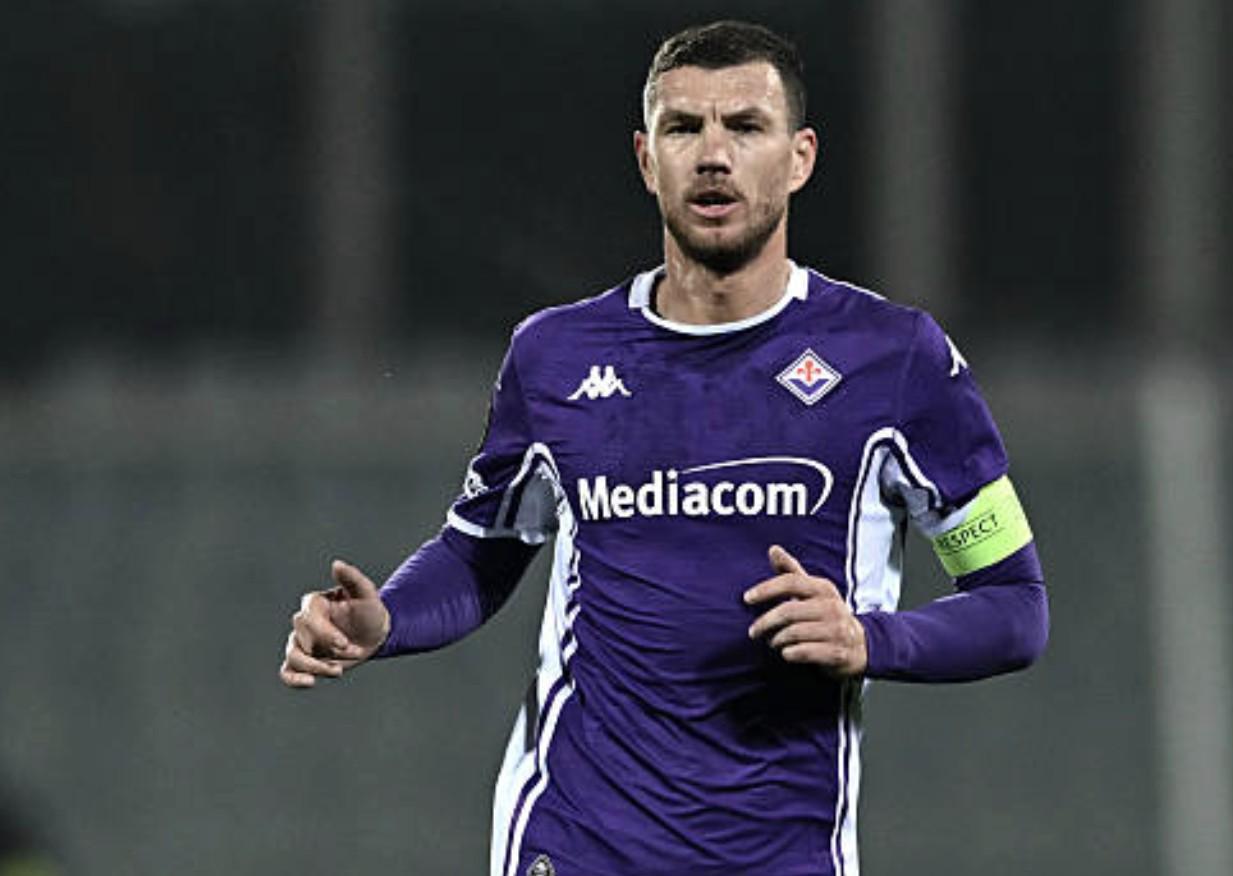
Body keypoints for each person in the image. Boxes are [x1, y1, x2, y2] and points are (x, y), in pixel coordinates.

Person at [281, 20, 1048, 876]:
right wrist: (387, 621)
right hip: (573, 844)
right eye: (684, 128)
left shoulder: (895, 360)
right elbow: (481, 552)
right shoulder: (556, 357)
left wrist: (871, 639)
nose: (713, 156)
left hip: (779, 855)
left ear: (800, 158)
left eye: (745, 127)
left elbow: (1015, 607)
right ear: (648, 161)